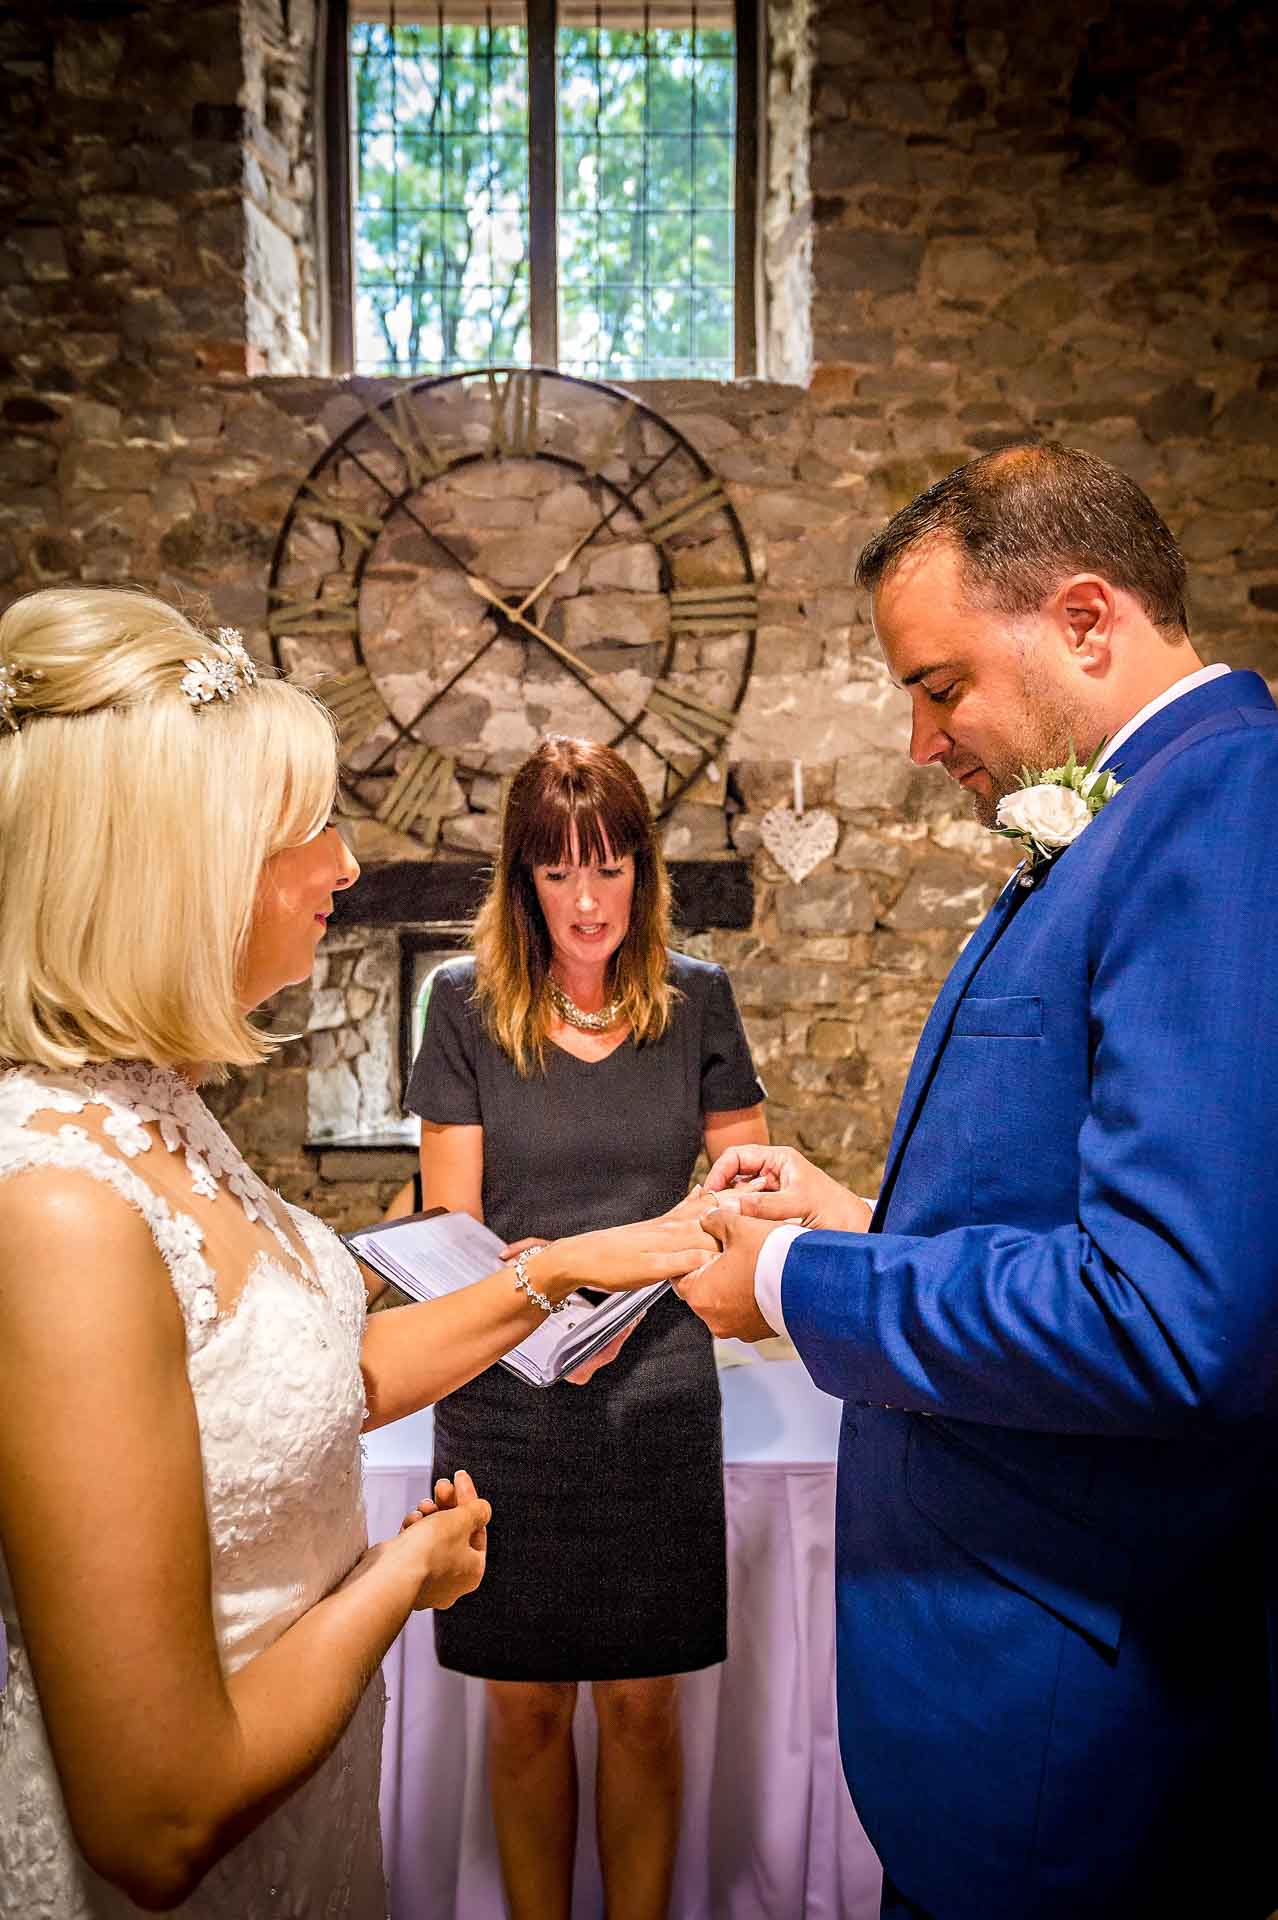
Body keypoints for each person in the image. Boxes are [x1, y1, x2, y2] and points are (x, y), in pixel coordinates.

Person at [0, 590, 717, 1919]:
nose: (342, 867)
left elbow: (317, 1374)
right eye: (302, 835)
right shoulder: (56, 1199)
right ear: (173, 872)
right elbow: (155, 1824)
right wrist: (401, 1573)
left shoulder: (162, 1113)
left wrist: (553, 1270)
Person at [678, 444, 1278, 1919]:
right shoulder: (1136, 813)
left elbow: (1166, 1316)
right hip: (1002, 1691)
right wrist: (862, 1223)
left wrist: (781, 1279)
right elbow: (1100, 1220)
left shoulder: (1221, 812)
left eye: (936, 685)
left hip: (1078, 1713)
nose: (916, 737)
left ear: (1083, 621)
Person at [405, 736, 767, 1920]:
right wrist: (549, 1293)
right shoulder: (460, 1005)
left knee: (646, 1703)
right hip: (505, 1391)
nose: (590, 900)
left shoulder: (699, 997)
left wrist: (636, 1289)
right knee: (520, 1703)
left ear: (644, 873)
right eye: (561, 873)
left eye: (610, 867)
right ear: (524, 881)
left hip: (656, 1384)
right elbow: (448, 1225)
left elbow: (746, 1189)